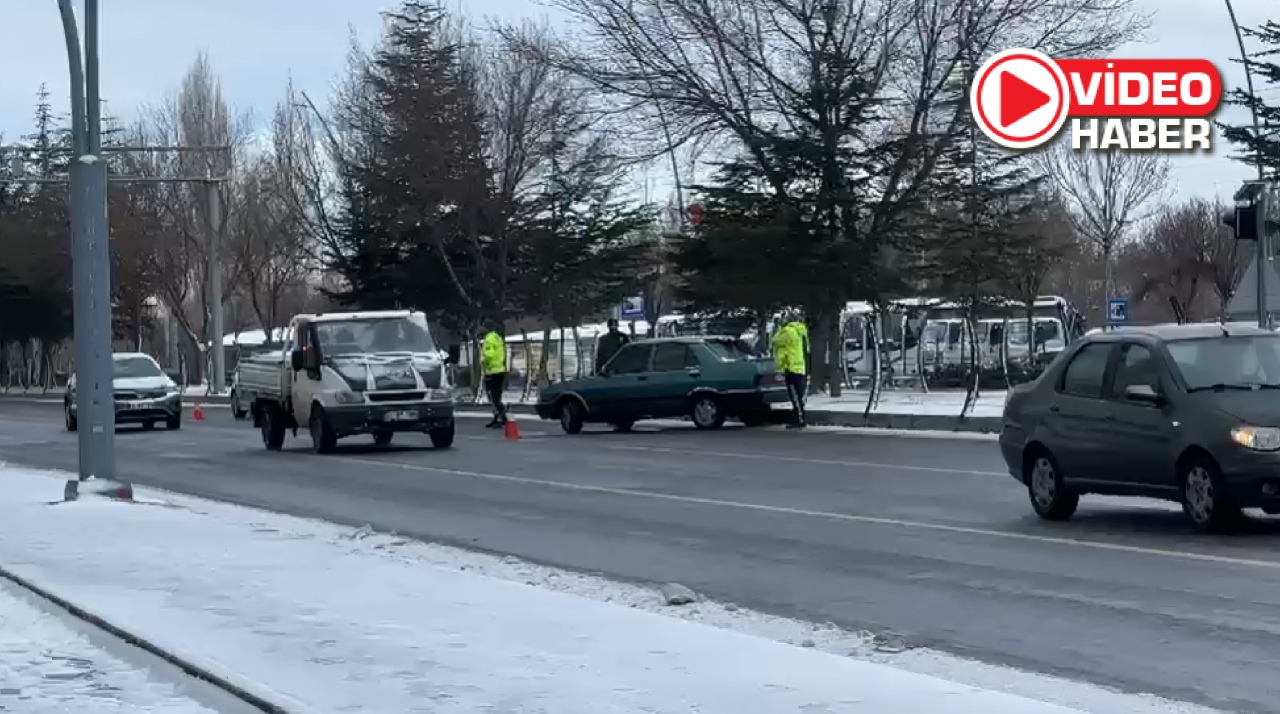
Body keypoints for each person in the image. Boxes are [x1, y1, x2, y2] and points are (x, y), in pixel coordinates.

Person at [772, 318, 809, 429]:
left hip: (791, 368)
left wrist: (777, 330)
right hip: (799, 367)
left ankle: (799, 420)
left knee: (795, 396)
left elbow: (775, 341)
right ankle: (799, 418)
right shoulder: (800, 331)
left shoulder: (787, 331)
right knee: (798, 396)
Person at [480, 324, 508, 428]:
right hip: (500, 370)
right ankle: (500, 418)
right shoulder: (498, 338)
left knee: (492, 397)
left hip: (492, 371)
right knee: (496, 397)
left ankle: (503, 414)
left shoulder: (489, 339)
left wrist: (483, 359)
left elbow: (490, 354)